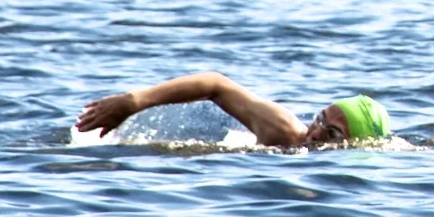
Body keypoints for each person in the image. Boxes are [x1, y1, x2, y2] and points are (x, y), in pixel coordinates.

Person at [76, 72, 391, 148]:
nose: (316, 131)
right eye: (320, 118)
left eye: (332, 133)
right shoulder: (282, 130)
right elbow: (216, 84)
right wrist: (132, 102)